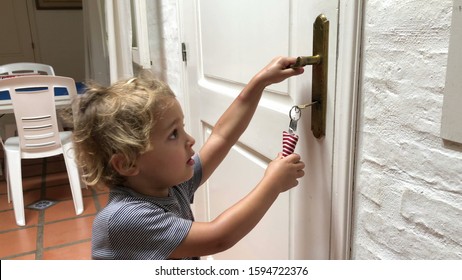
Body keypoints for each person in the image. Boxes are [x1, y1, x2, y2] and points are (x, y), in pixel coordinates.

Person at [72, 56, 306, 260]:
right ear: (128, 163)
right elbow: (219, 237)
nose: (190, 139)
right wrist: (273, 183)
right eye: (173, 133)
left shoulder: (168, 185)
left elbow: (222, 136)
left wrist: (260, 81)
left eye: (182, 127)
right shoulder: (125, 220)